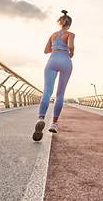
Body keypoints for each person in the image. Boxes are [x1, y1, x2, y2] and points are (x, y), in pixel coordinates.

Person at [32, 10, 74, 141]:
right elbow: (71, 47)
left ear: (60, 23)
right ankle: (54, 123)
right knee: (60, 94)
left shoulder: (53, 35)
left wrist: (55, 47)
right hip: (65, 60)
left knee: (47, 92)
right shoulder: (70, 34)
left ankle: (41, 118)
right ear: (69, 24)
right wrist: (71, 52)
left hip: (52, 60)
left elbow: (46, 51)